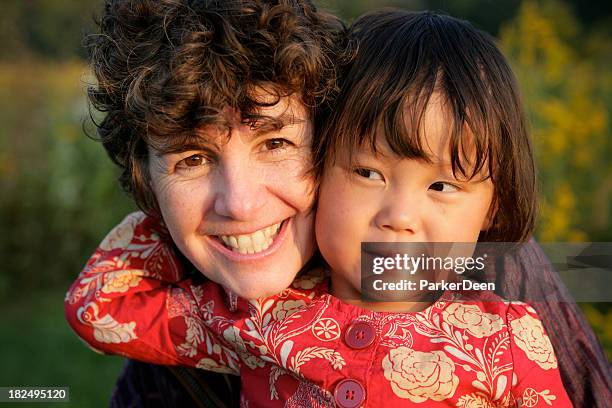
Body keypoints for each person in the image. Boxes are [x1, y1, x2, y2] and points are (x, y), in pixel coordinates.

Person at [67, 9, 580, 406]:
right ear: (325, 159)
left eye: (442, 186)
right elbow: (98, 308)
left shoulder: (509, 338)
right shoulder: (255, 320)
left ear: (492, 210)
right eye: (367, 174)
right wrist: (177, 215)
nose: (398, 215)